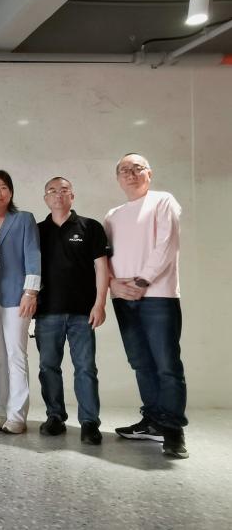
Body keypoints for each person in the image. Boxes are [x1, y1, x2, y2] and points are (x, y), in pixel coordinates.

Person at [105, 153, 188, 459]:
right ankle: (153, 420)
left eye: (137, 168)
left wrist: (143, 281)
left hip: (159, 296)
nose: (130, 173)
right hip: (124, 300)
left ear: (149, 174)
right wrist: (113, 285)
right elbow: (104, 257)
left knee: (167, 365)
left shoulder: (163, 201)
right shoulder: (112, 215)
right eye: (124, 170)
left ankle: (173, 430)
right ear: (118, 178)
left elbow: (167, 244)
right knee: (141, 363)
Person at [35, 176, 107, 445]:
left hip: (82, 313)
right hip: (47, 312)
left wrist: (100, 303)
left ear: (72, 196)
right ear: (46, 198)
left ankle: (89, 422)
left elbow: (102, 268)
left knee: (85, 368)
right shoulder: (37, 231)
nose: (58, 194)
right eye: (52, 190)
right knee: (48, 367)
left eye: (64, 190)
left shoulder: (90, 227)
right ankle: (55, 416)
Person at [0, 170, 41, 434]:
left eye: (3, 187)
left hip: (17, 295)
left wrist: (31, 292)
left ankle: (17, 416)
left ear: (11, 192)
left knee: (16, 355)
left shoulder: (24, 219)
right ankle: (1, 412)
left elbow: (32, 255)